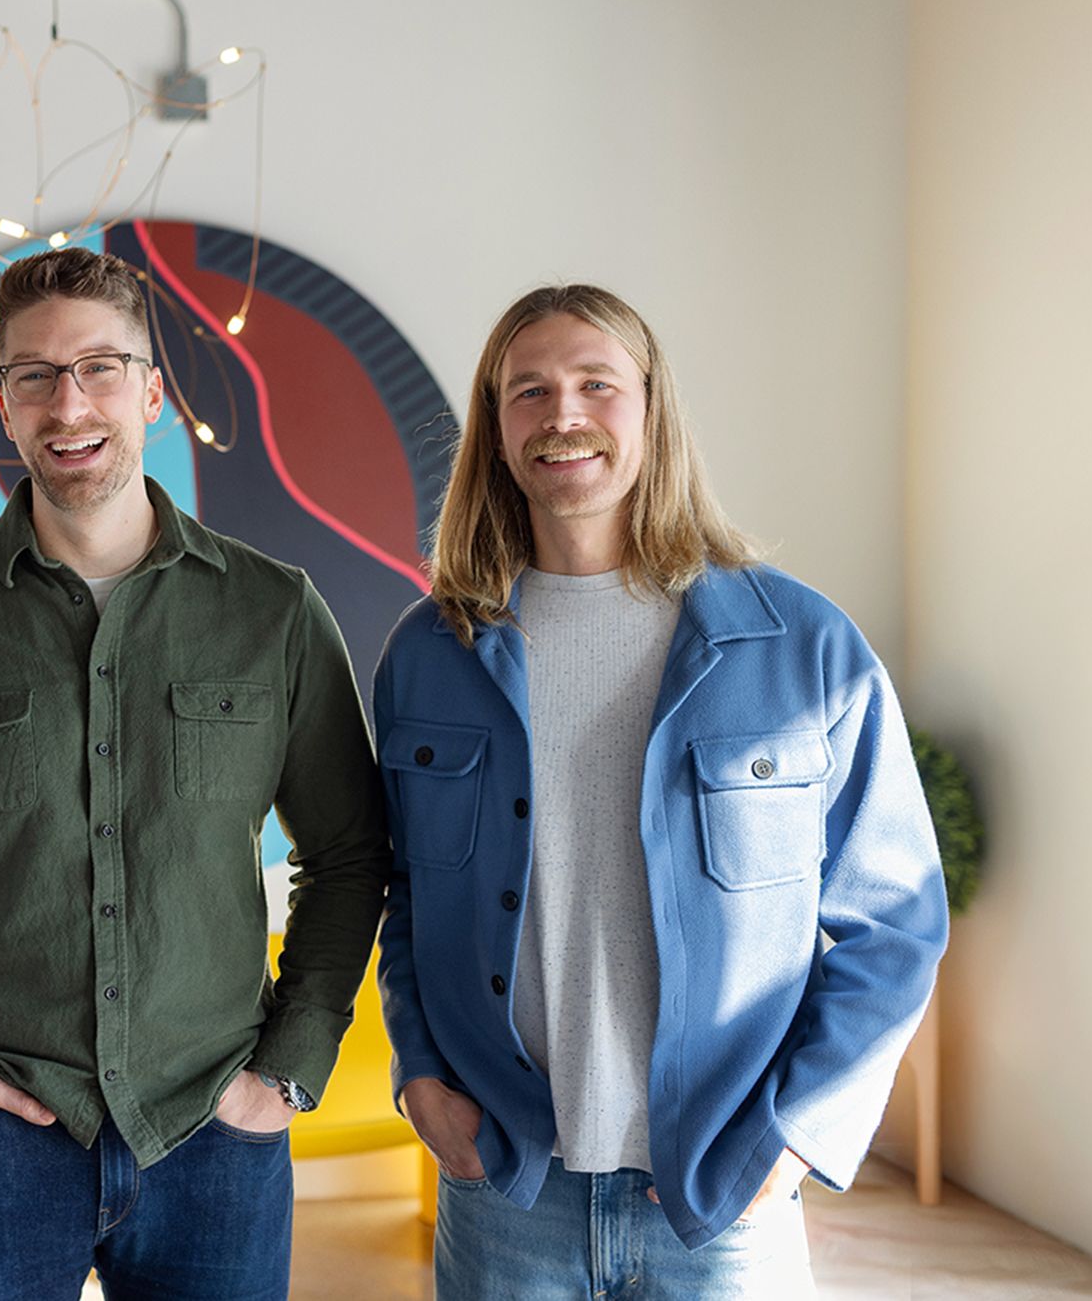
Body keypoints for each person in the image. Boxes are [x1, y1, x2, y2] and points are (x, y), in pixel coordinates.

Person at [0, 248, 389, 1299]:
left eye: (101, 367)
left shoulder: (273, 611)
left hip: (213, 1133)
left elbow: (346, 857)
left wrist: (284, 1071)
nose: (69, 402)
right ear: (2, 410)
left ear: (152, 393)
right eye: (33, 376)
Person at [375, 284, 948, 1297]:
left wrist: (797, 1132)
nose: (562, 413)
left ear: (650, 410)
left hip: (724, 1196)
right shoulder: (429, 653)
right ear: (494, 427)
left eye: (596, 383)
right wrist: (419, 1072)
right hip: (508, 1185)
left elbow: (894, 920)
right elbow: (405, 893)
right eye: (528, 390)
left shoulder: (803, 646)